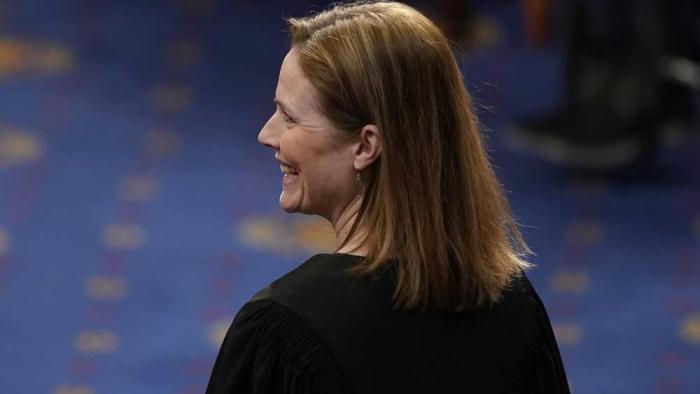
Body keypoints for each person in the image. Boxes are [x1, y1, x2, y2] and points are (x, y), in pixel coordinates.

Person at [206, 2, 569, 393]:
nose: (267, 134)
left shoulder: (282, 328)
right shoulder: (514, 305)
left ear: (366, 146)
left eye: (289, 117)